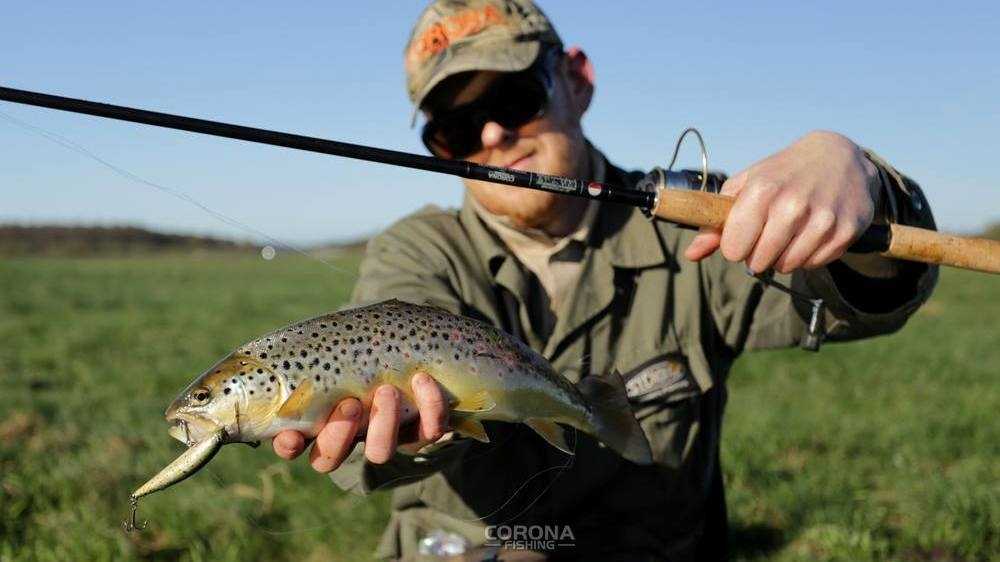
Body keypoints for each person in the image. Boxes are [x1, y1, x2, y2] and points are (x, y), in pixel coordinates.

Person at [272, 1, 938, 560]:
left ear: (577, 80)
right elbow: (375, 428)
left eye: (515, 96)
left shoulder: (693, 233)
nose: (495, 134)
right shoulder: (418, 251)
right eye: (455, 129)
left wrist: (862, 186)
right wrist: (410, 428)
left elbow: (861, 301)